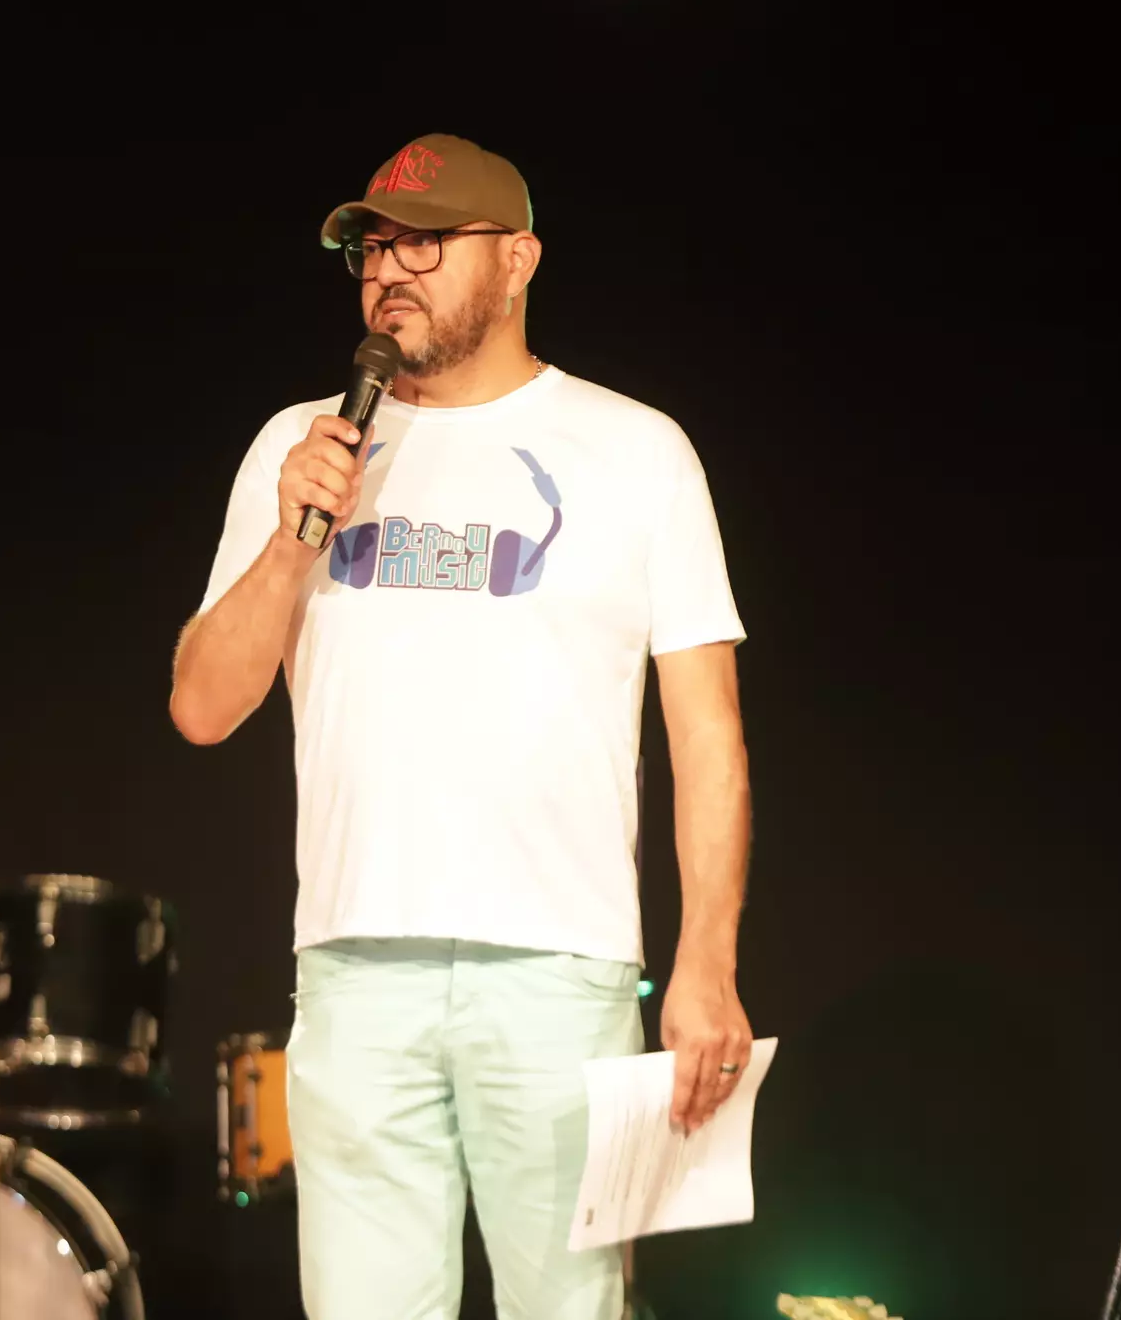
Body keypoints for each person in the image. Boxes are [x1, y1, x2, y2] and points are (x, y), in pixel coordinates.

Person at [170, 133, 754, 1320]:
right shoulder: (301, 447)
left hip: (559, 970)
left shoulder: (637, 452)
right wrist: (291, 538)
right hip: (353, 968)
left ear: (518, 260)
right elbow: (202, 707)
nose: (391, 269)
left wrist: (706, 961)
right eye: (373, 249)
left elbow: (707, 740)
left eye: (425, 244)